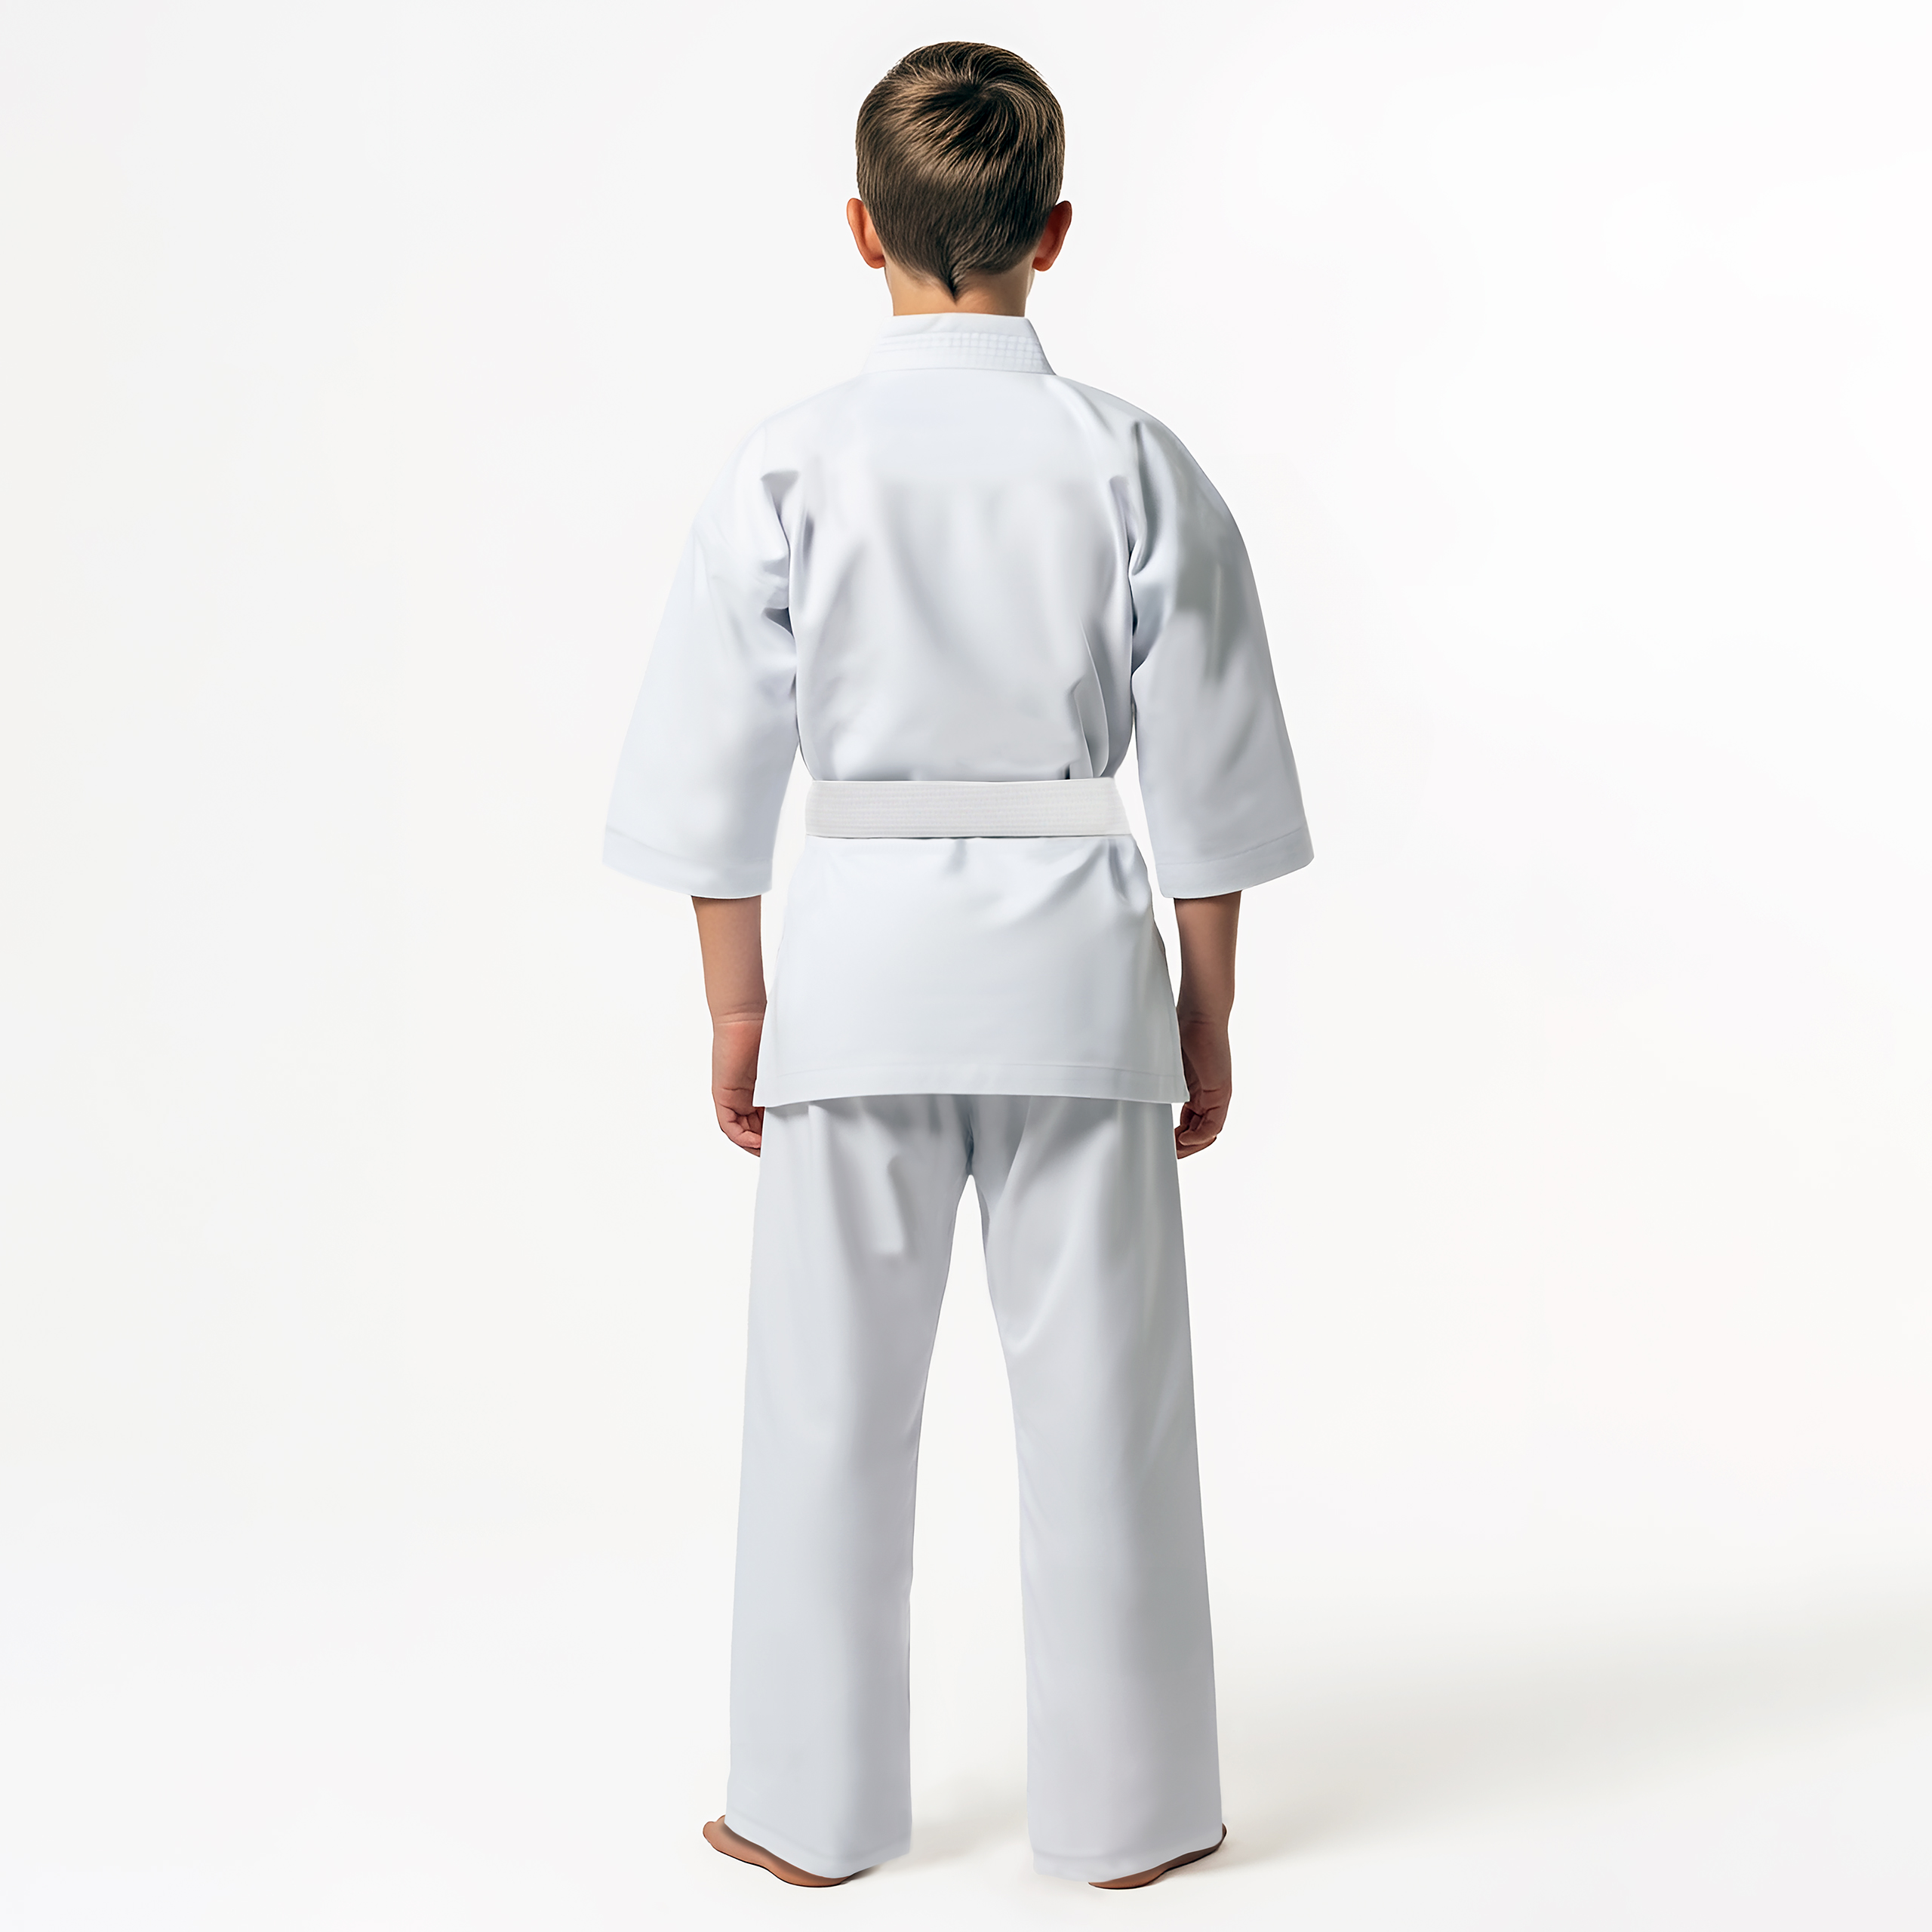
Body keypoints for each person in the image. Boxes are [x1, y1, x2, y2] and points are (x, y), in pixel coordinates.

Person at [604, 41, 1311, 1890]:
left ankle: (804, 1808)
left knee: (825, 1414)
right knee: (1109, 1413)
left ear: (862, 229)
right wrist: (1206, 1008)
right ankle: (1133, 1814)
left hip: (853, 973)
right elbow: (1212, 772)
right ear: (1051, 231)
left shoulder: (790, 462)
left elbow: (706, 775)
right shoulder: (1128, 461)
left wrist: (736, 1004)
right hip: (1078, 976)